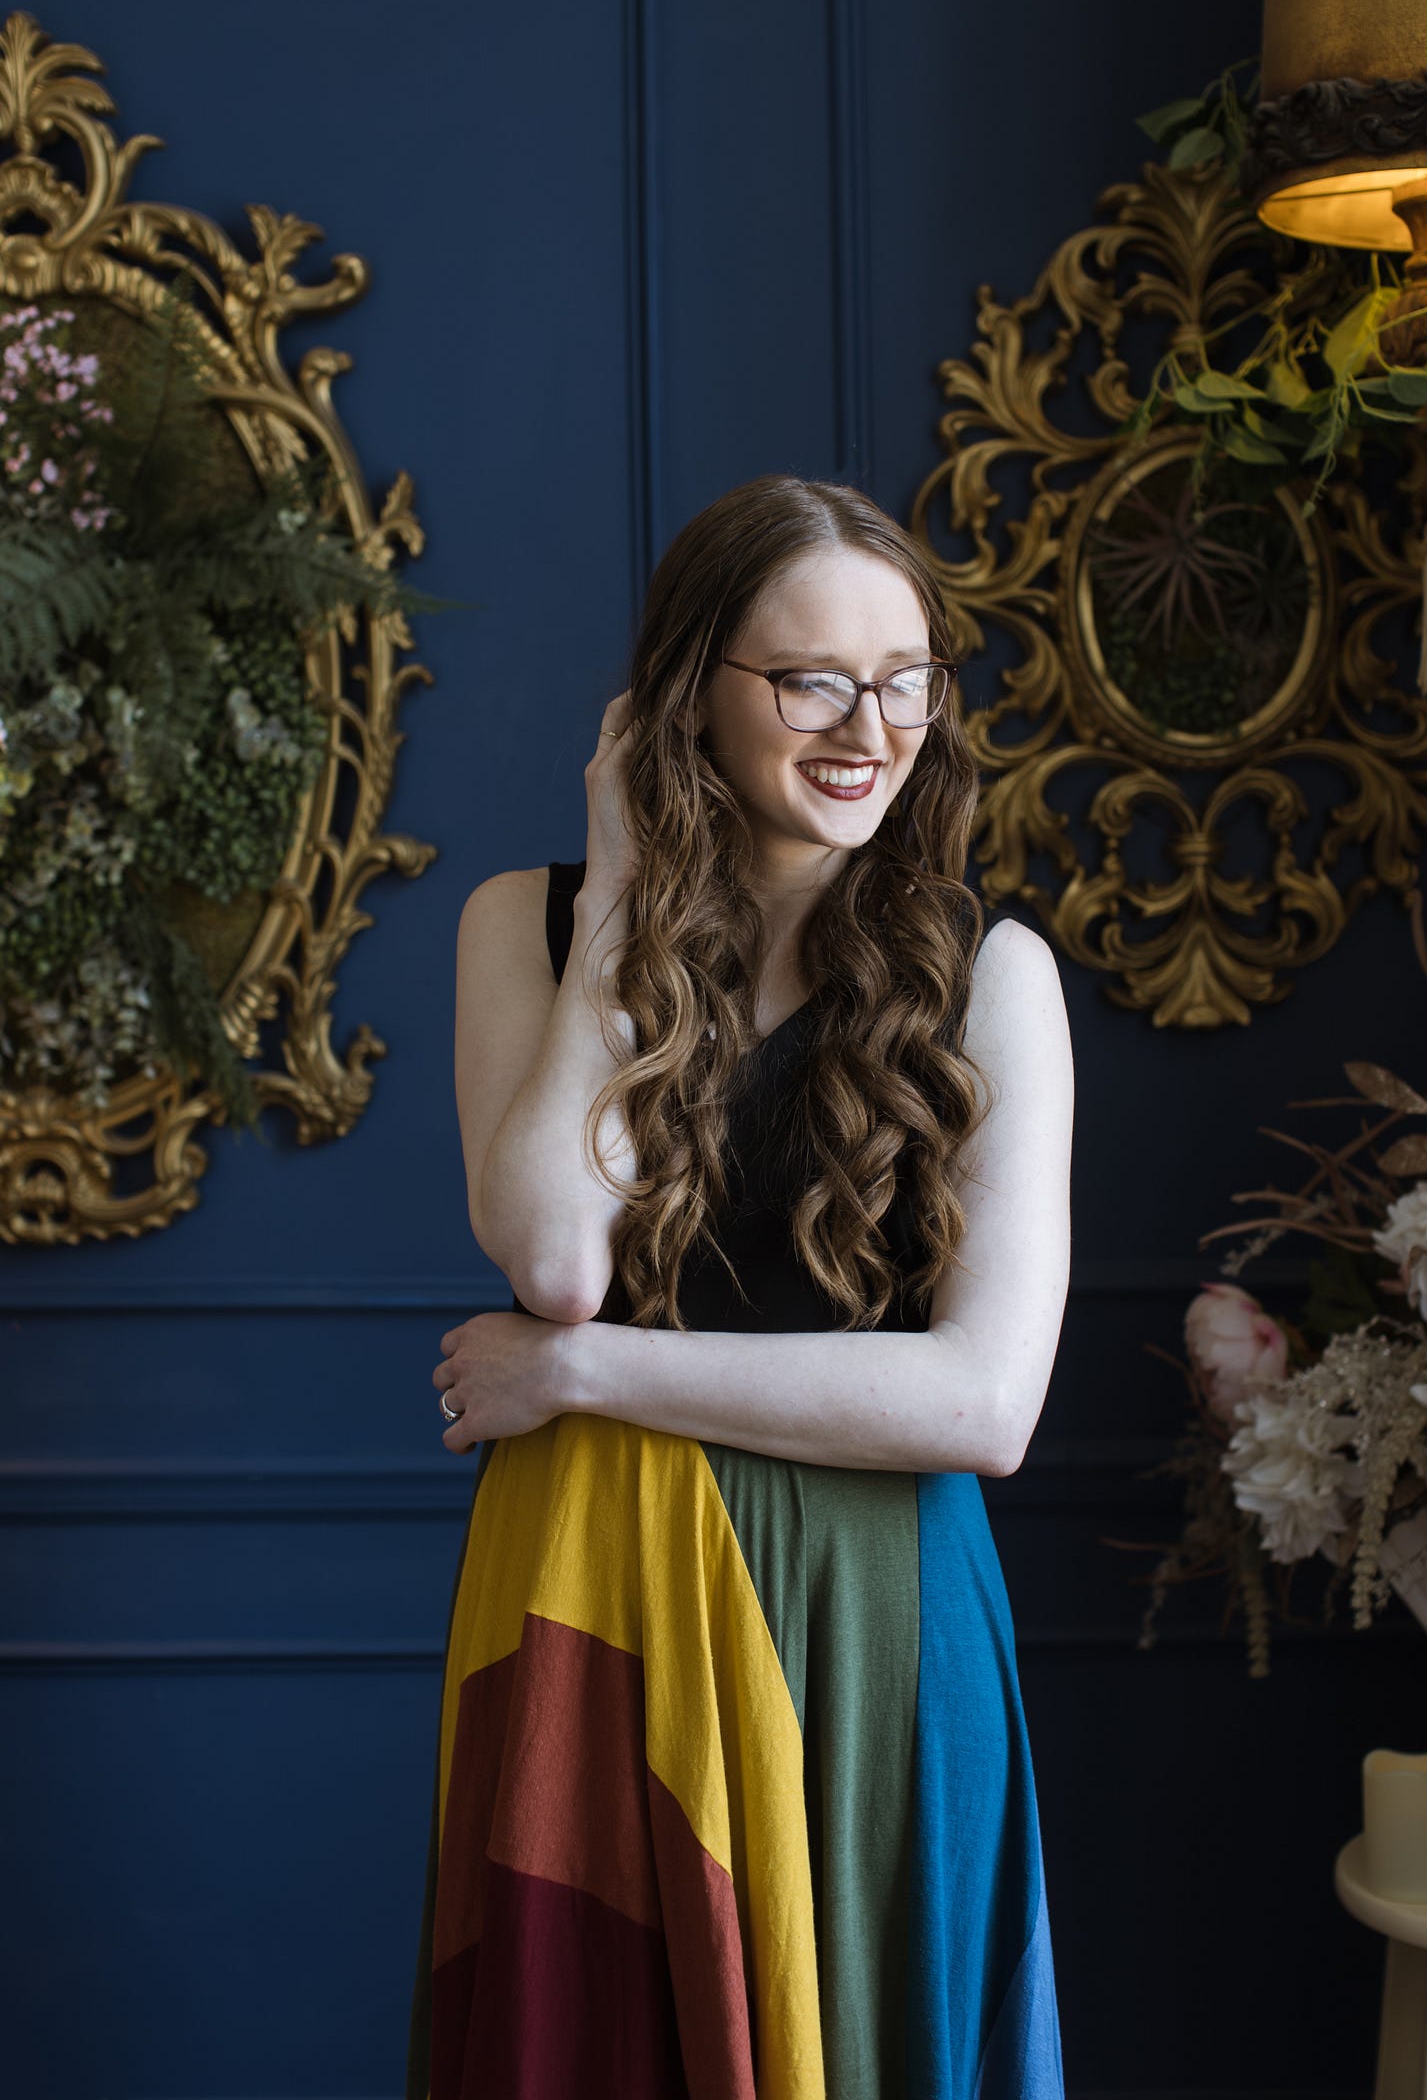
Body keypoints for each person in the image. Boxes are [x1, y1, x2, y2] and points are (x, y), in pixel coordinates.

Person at [406, 474, 1074, 2100]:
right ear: (686, 694)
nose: (873, 725)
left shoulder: (993, 976)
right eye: (812, 680)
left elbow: (984, 1408)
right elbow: (558, 1260)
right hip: (593, 1595)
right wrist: (624, 907)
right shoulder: (528, 925)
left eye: (907, 677)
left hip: (875, 1616)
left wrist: (581, 1379)